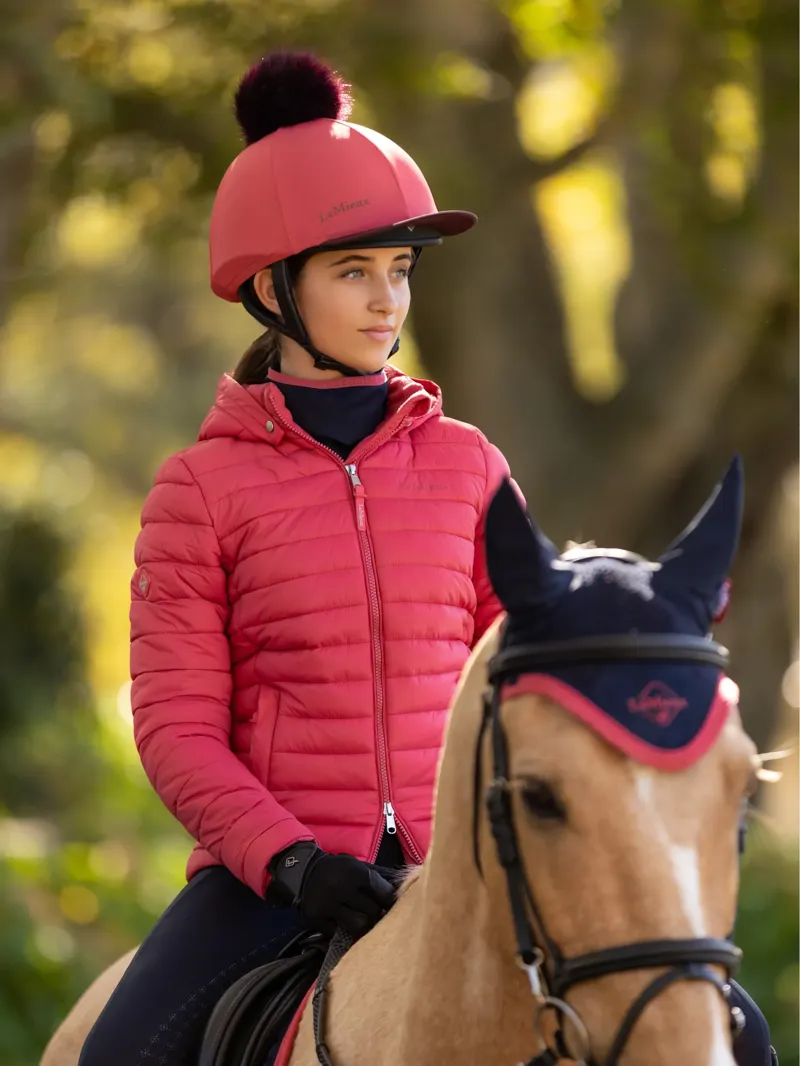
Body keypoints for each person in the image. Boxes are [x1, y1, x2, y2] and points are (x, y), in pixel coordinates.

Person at [78, 51, 517, 1066]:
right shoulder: (198, 491)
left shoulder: (469, 465)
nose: (385, 302)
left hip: (464, 871)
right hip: (272, 883)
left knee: (726, 1025)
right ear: (273, 289)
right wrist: (289, 859)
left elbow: (524, 660)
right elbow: (177, 730)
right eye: (352, 271)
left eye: (398, 270)